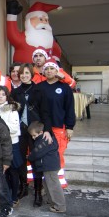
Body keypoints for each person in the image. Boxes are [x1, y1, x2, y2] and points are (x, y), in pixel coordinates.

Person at [11, 63, 53, 205]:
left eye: (27, 73)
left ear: (31, 74)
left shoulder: (39, 90)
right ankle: (23, 187)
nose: (24, 75)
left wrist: (47, 130)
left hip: (35, 131)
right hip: (20, 131)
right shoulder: (15, 92)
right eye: (22, 73)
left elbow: (46, 112)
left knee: (36, 161)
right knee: (20, 160)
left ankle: (37, 192)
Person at [38, 58, 76, 189]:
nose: (49, 71)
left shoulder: (64, 88)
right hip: (42, 128)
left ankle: (58, 185)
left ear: (57, 70)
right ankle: (45, 185)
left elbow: (70, 108)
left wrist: (70, 127)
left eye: (52, 68)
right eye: (46, 69)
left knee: (58, 155)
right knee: (43, 156)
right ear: (43, 72)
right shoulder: (39, 87)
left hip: (59, 127)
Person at [28, 121, 66, 213]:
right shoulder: (46, 139)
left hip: (49, 167)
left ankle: (60, 206)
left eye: (34, 135)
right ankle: (52, 201)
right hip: (50, 166)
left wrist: (29, 157)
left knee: (53, 186)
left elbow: (37, 153)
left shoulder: (43, 141)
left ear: (40, 133)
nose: (33, 138)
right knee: (48, 184)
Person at [0, 86, 22, 206]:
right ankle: (4, 195)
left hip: (11, 144)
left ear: (7, 96)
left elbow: (14, 129)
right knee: (2, 172)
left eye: (3, 94)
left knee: (13, 171)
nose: (0, 96)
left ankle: (14, 196)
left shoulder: (12, 109)